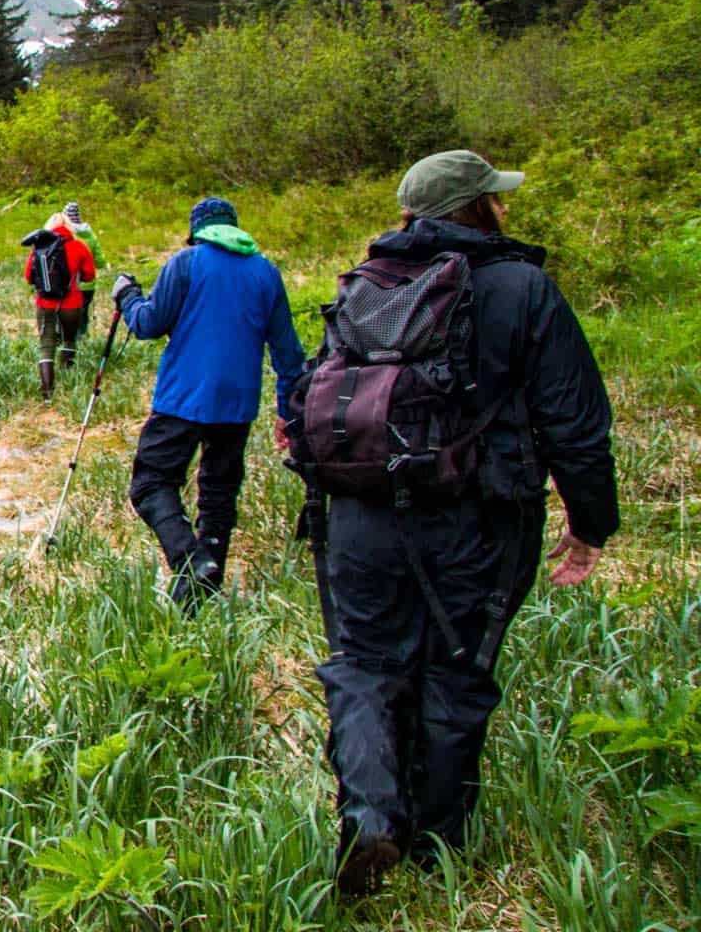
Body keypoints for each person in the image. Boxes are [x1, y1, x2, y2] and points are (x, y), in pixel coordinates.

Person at [298, 150, 617, 897]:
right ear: (478, 208)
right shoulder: (522, 287)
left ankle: (373, 815)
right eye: (496, 199)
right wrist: (591, 522)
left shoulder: (364, 283)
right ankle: (439, 852)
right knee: (456, 673)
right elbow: (575, 424)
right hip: (477, 519)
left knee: (366, 665)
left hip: (359, 512)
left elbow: (311, 400)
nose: (505, 208)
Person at [110, 196, 305, 613]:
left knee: (151, 484)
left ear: (197, 230)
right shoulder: (266, 272)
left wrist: (127, 296)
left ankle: (189, 560)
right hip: (237, 404)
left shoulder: (187, 263)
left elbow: (147, 324)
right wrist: (288, 412)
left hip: (182, 397)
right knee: (218, 493)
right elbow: (289, 354)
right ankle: (207, 579)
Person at [22, 212, 97, 399]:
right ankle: (67, 378)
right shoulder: (79, 246)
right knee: (69, 339)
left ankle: (47, 392)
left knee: (46, 345)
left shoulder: (38, 248)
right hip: (71, 303)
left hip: (45, 303)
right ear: (71, 226)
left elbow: (28, 278)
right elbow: (89, 275)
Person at [64, 201, 108, 323]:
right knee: (83, 313)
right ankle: (83, 337)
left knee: (69, 314)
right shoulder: (91, 235)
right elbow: (99, 261)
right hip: (88, 285)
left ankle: (70, 337)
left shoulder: (66, 237)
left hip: (70, 284)